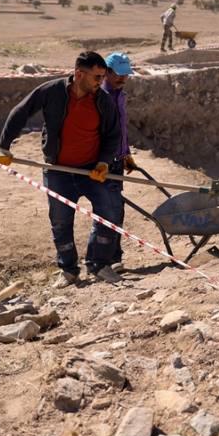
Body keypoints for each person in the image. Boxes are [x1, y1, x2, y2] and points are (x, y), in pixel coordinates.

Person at [0, 51, 123, 287]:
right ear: (79, 74)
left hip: (92, 171)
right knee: (61, 221)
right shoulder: (51, 91)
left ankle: (98, 264)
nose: (100, 82)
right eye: (96, 77)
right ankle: (68, 269)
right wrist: (3, 146)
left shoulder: (103, 100)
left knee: (108, 215)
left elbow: (113, 135)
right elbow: (20, 112)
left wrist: (104, 161)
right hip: (57, 170)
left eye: (103, 76)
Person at [101, 51, 138, 273]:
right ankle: (103, 260)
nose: (123, 79)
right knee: (107, 210)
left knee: (117, 209)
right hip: (103, 163)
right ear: (106, 72)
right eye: (119, 74)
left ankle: (114, 256)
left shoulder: (120, 96)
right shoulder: (100, 97)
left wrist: (126, 154)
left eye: (126, 75)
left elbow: (121, 130)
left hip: (117, 161)